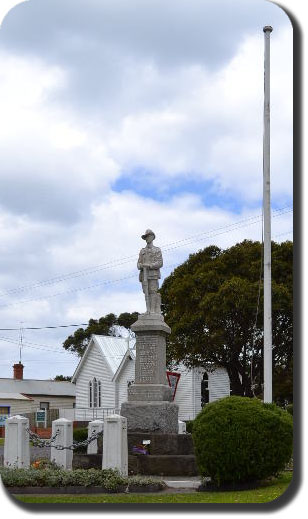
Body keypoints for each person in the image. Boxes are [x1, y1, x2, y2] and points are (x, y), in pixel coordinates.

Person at [137, 229, 163, 314]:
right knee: (146, 292)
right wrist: (140, 265)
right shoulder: (142, 251)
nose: (147, 238)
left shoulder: (157, 250)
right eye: (145, 237)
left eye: (148, 236)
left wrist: (150, 266)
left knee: (153, 291)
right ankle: (148, 310)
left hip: (153, 274)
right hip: (144, 274)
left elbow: (160, 262)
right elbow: (138, 263)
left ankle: (153, 310)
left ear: (152, 237)